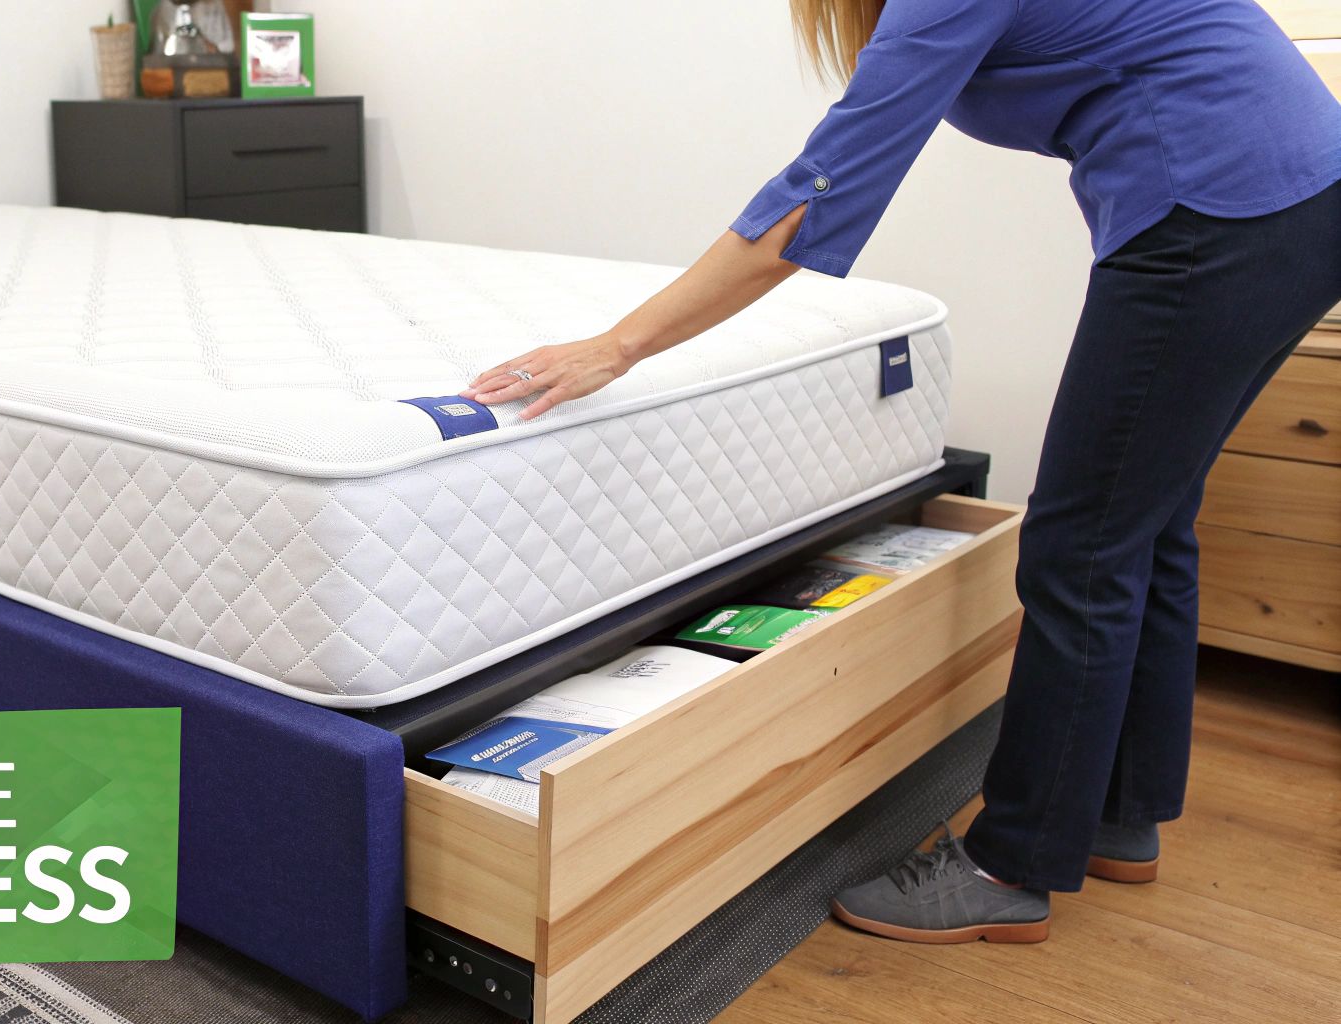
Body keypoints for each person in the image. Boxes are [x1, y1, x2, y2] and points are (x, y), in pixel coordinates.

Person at [462, 0, 1341, 943]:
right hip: (1286, 193)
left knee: (1081, 544)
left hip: (1223, 207)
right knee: (1145, 522)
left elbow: (820, 191)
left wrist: (620, 345)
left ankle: (1011, 863)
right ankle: (1117, 815)